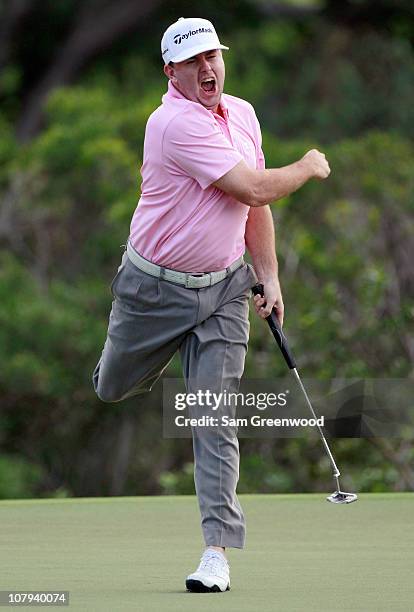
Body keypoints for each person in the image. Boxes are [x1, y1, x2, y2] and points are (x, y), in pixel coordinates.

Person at [92, 16, 330, 593]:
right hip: (153, 289)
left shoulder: (242, 114)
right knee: (111, 387)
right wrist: (307, 167)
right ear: (170, 71)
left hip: (224, 289)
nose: (207, 69)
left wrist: (268, 277)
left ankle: (216, 553)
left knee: (213, 417)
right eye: (193, 60)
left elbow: (254, 207)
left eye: (214, 57)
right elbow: (252, 187)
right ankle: (154, 355)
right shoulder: (172, 123)